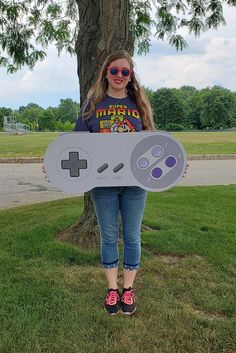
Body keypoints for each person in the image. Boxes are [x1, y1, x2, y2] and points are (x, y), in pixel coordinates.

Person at [74, 50, 155, 316]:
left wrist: (173, 166)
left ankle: (128, 289)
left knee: (132, 237)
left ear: (130, 76)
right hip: (103, 184)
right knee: (109, 237)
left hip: (134, 184)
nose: (119, 76)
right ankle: (112, 290)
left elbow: (153, 146)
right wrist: (56, 164)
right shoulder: (92, 105)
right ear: (105, 72)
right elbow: (77, 145)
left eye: (125, 72)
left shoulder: (139, 105)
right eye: (114, 70)